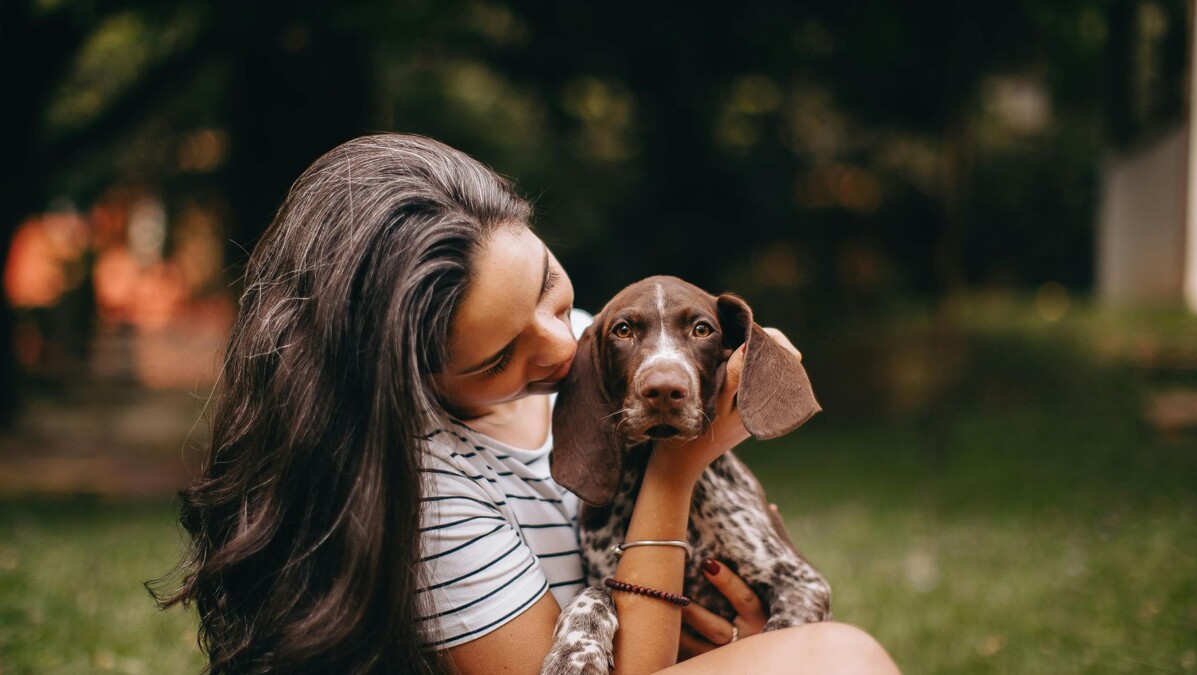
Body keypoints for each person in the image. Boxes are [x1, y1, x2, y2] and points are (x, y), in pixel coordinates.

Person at [151, 134, 900, 674]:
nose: (561, 345)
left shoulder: (603, 346)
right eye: (499, 357)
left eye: (549, 288)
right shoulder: (425, 489)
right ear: (408, 382)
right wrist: (677, 465)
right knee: (841, 660)